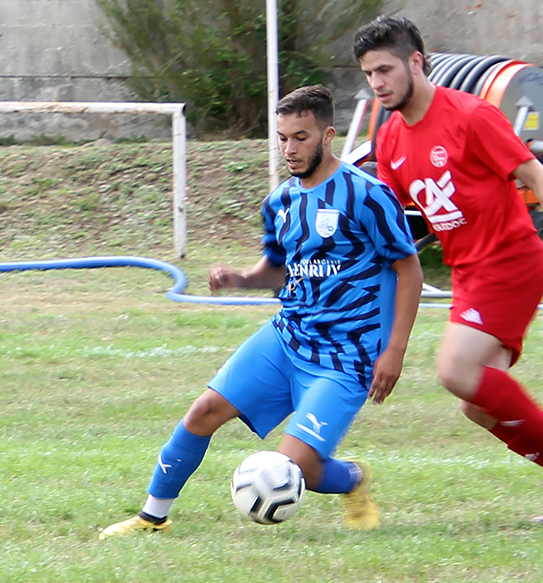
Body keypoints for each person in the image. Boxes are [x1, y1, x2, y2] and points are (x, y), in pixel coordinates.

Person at [98, 84, 423, 536]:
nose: (289, 149)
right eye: (282, 137)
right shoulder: (280, 201)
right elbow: (278, 269)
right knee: (203, 412)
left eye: (301, 137)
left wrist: (395, 350)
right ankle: (152, 517)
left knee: (298, 470)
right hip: (287, 337)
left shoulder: (367, 195)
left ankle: (353, 478)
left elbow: (410, 272)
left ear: (328, 135)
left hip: (345, 357)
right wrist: (244, 279)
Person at [352, 16, 543, 523]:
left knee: (455, 370)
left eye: (385, 69)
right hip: (469, 270)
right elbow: (401, 224)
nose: (377, 83)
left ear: (416, 61)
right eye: (369, 74)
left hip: (511, 259)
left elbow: (537, 175)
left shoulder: (471, 116)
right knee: (479, 404)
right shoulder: (388, 142)